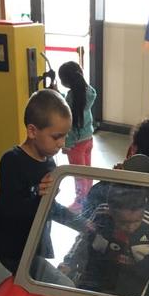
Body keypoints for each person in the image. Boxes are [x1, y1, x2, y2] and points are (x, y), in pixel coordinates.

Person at [0, 89, 80, 276]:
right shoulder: (12, 161)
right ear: (32, 131)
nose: (62, 143)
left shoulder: (49, 162)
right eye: (56, 137)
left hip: (36, 245)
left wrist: (82, 224)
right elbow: (10, 211)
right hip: (16, 250)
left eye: (65, 136)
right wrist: (36, 193)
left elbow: (49, 207)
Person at [59, 184, 149, 296]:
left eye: (137, 221)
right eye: (123, 223)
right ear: (110, 211)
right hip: (101, 269)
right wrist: (68, 263)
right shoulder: (101, 214)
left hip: (135, 276)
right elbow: (83, 240)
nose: (130, 228)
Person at [58, 61, 97, 211]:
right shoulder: (88, 93)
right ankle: (89, 197)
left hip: (75, 144)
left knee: (78, 174)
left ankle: (80, 203)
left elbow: (71, 126)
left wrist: (67, 145)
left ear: (66, 81)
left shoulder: (71, 98)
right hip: (88, 139)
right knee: (87, 170)